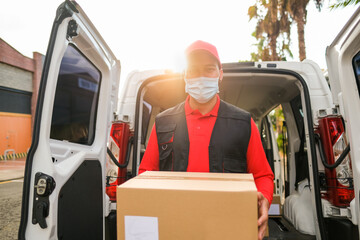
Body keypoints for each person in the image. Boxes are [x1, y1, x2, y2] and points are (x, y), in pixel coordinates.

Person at [139, 40, 274, 240]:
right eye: (193, 70)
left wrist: (265, 199)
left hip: (227, 226)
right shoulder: (163, 122)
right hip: (176, 225)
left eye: (209, 69)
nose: (201, 77)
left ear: (220, 74)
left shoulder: (243, 122)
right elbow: (146, 174)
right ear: (184, 75)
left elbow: (263, 175)